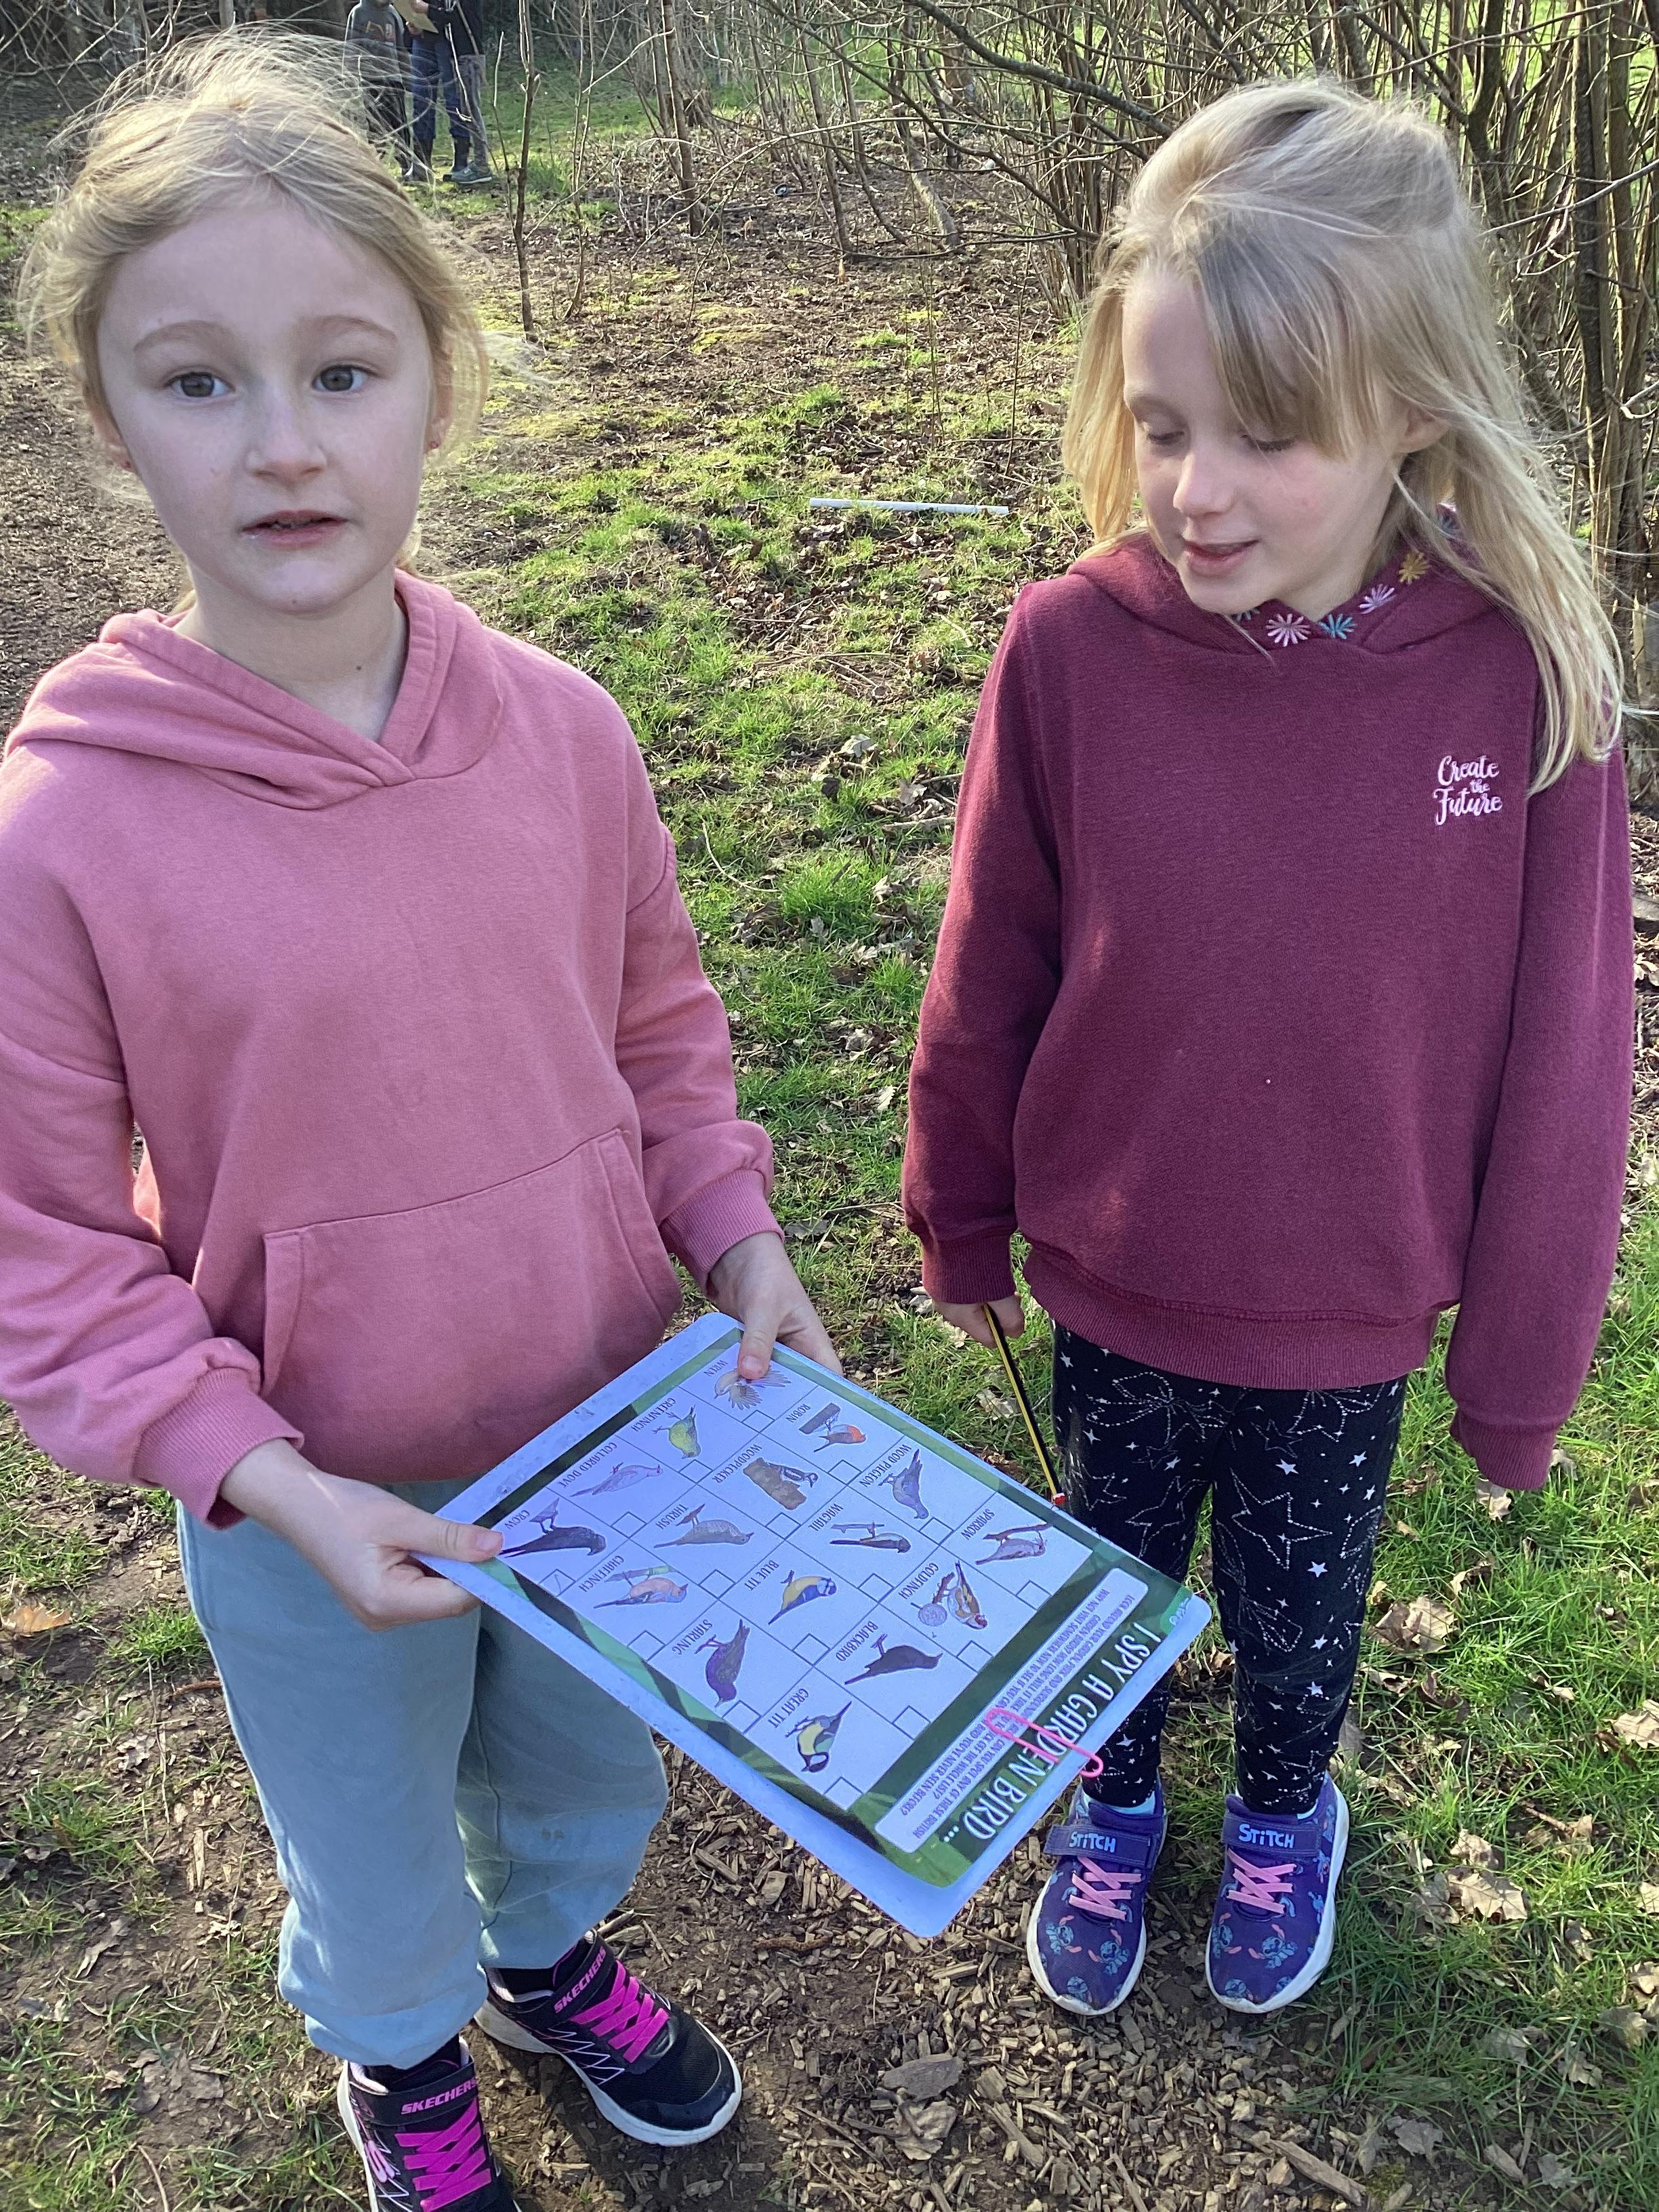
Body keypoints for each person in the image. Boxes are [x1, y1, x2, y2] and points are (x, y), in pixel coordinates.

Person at [5, 35, 836, 2211]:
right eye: (200, 382)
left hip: (609, 1441)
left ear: (434, 388)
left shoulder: (566, 732)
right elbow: (50, 1249)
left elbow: (660, 1031)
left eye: (343, 371)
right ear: (108, 415)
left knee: (582, 1780)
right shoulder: (66, 829)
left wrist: (740, 1239)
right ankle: (401, 2053)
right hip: (309, 1493)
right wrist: (264, 1474)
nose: (283, 442)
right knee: (367, 1849)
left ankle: (549, 1960)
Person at [903, 79, 1632, 2023]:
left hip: (1346, 1312)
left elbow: (1567, 1063)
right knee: (1106, 1591)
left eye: (1266, 435)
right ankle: (1114, 1798)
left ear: (1411, 416)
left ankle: (1282, 1810)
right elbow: (991, 955)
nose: (1195, 490)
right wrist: (958, 1209)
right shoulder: (1069, 652)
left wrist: (1519, 1367)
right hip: (1114, 1277)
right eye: (1161, 425)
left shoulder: (1522, 682)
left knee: (1300, 1621)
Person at [396, 0, 489, 186]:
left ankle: (462, 163)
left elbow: (458, 13)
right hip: (423, 37)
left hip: (449, 38)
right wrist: (415, 22)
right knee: (421, 99)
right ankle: (422, 165)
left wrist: (430, 13)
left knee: (456, 101)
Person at [345, 0, 411, 165]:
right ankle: (375, 165)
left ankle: (407, 164)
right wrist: (350, 75)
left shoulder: (393, 14)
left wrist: (407, 77)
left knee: (399, 124)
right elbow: (351, 47)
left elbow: (401, 49)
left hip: (393, 79)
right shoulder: (359, 13)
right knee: (375, 125)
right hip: (370, 79)